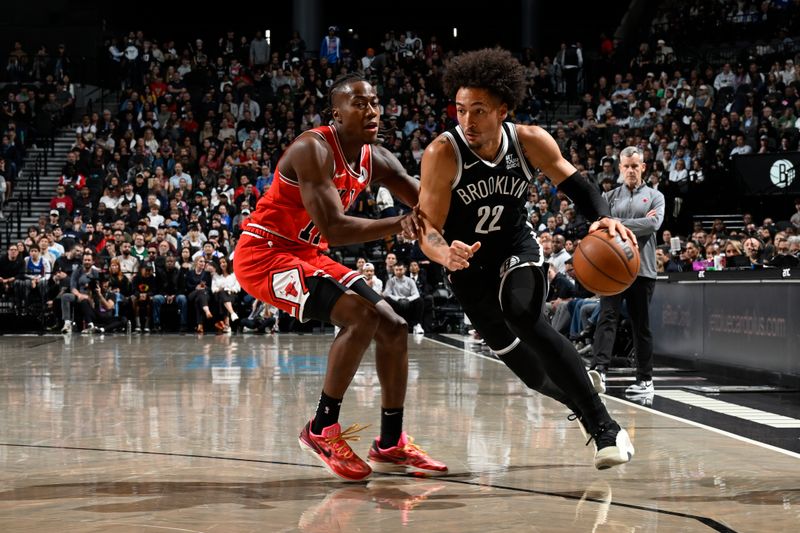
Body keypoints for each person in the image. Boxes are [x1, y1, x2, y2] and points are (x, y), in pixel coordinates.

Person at [416, 48, 636, 469]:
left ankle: (604, 427)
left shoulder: (529, 140)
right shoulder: (442, 153)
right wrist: (444, 252)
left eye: (478, 111)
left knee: (520, 311)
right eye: (460, 110)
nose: (467, 121)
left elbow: (578, 185)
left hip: (516, 246)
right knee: (533, 374)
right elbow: (427, 229)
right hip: (466, 267)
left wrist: (603, 219)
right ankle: (581, 387)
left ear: (503, 110)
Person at [233, 73, 447, 481]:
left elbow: (427, 199)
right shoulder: (311, 149)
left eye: (375, 102)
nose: (372, 110)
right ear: (336, 114)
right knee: (359, 317)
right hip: (264, 254)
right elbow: (334, 228)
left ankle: (390, 443)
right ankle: (321, 428)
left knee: (396, 327)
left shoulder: (376, 157)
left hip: (306, 253)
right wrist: (399, 223)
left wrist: (477, 215)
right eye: (360, 103)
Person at [587, 147, 665, 398]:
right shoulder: (608, 196)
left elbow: (653, 224)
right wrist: (635, 224)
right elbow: (599, 228)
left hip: (643, 269)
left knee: (640, 325)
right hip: (612, 270)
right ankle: (600, 371)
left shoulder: (656, 196)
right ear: (620, 168)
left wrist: (615, 223)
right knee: (606, 317)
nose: (631, 170)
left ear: (643, 167)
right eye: (626, 166)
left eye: (635, 166)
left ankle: (645, 380)